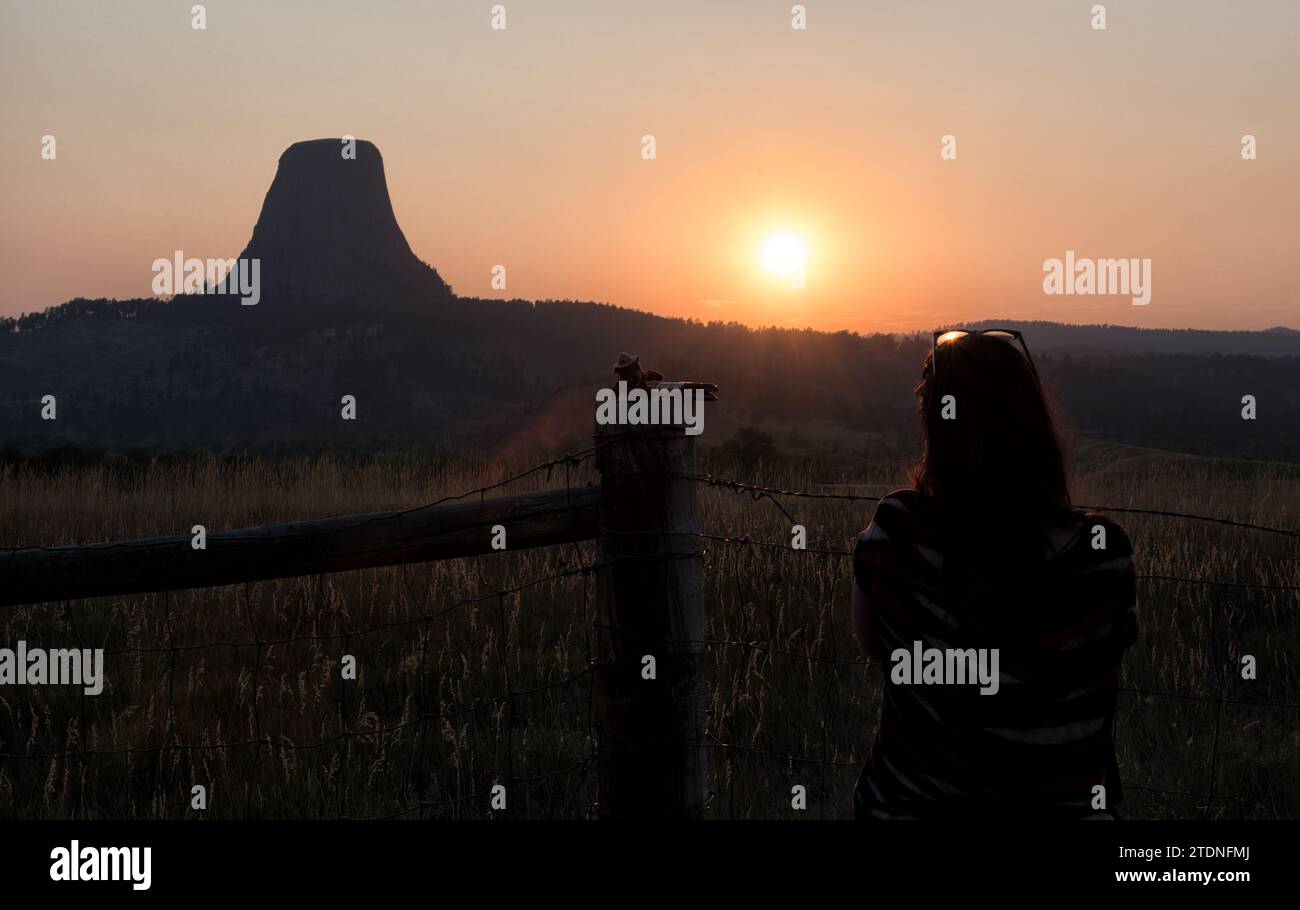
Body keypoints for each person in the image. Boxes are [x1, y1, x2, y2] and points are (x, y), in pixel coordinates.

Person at [850, 330, 1138, 820]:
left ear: (936, 427)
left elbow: (873, 642)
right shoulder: (1101, 557)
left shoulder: (896, 537)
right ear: (1032, 422)